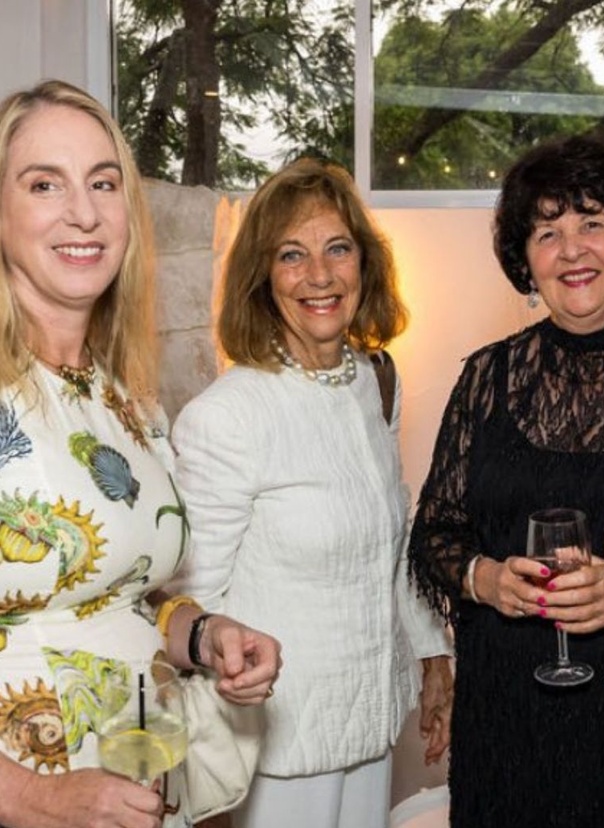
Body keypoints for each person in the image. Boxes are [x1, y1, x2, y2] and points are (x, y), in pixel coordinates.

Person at [407, 135, 604, 828]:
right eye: (547, 232)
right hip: (505, 721)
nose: (571, 249)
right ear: (526, 262)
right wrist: (486, 578)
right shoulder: (486, 376)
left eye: (592, 223)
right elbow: (435, 529)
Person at [0, 80, 281, 828]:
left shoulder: (128, 401)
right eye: (43, 184)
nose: (84, 212)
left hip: (140, 780)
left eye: (104, 182)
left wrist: (205, 635)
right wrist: (34, 798)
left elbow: (125, 590)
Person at [170, 157, 453, 828]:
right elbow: (193, 605)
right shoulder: (226, 417)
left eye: (337, 249)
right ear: (263, 279)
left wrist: (433, 651)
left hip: (373, 722)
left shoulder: (376, 380)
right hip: (279, 748)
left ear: (365, 263)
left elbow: (393, 537)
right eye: (291, 255)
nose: (319, 276)